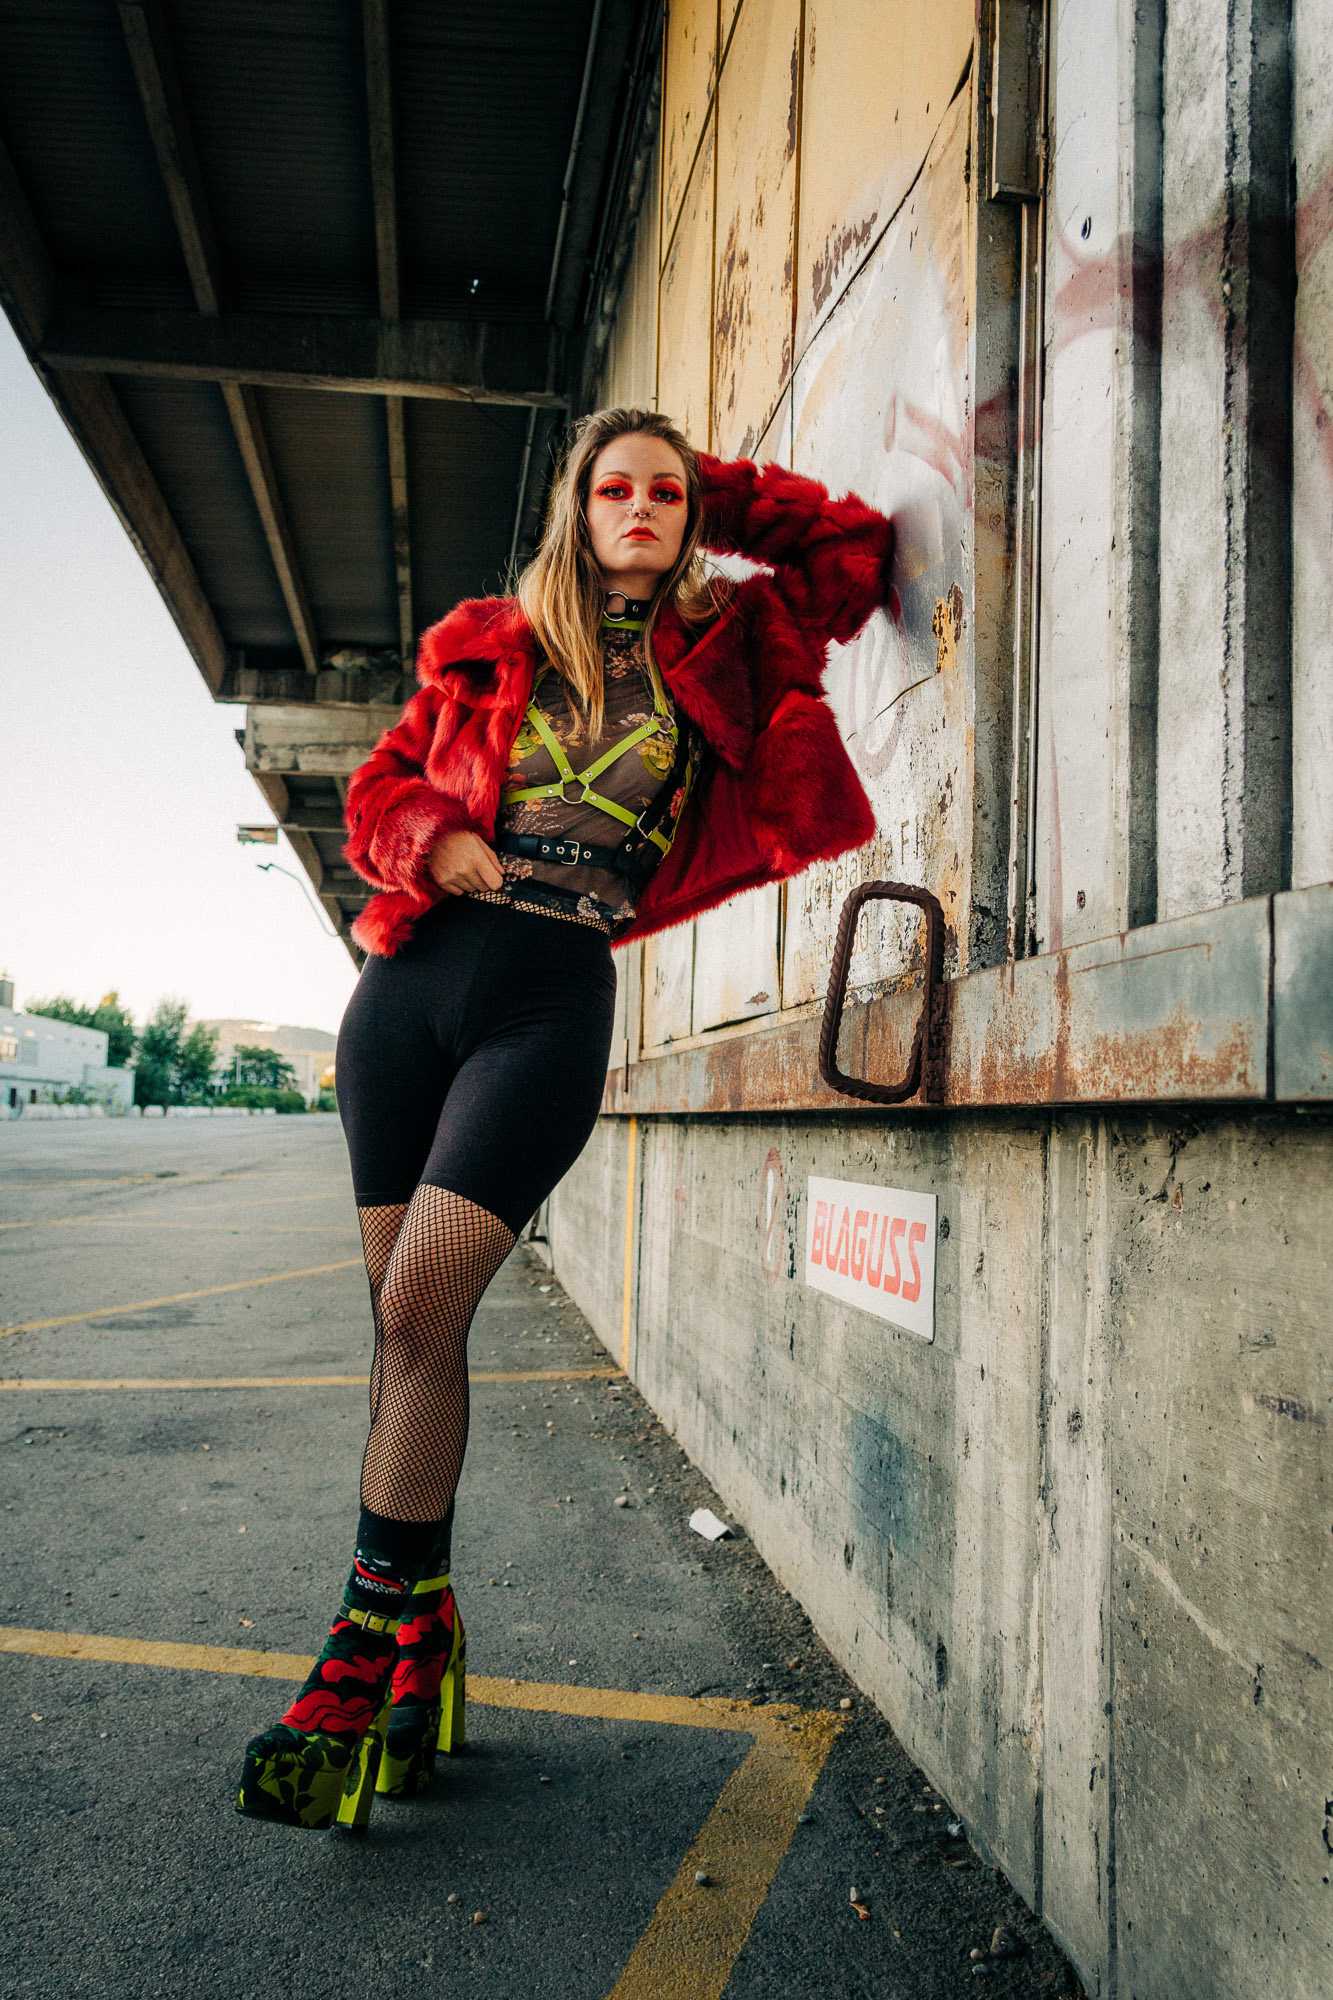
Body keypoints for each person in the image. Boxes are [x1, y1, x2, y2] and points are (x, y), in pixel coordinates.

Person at [235, 406, 894, 1830]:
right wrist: (431, 837)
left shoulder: (735, 647)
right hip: (408, 995)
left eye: (668, 491)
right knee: (404, 1330)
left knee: (420, 1308)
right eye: (617, 489)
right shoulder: (488, 644)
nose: (643, 509)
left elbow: (852, 552)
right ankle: (425, 1627)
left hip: (548, 994)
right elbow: (376, 789)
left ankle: (353, 1660)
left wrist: (723, 488)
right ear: (577, 510)